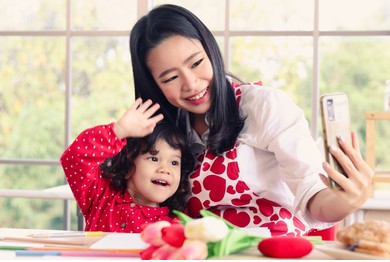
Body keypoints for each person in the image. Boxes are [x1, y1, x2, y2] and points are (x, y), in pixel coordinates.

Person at [127, 4, 374, 236]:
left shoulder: (263, 106)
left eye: (197, 63)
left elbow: (313, 195)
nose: (191, 84)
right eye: (170, 78)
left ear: (211, 51)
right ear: (155, 87)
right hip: (204, 258)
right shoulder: (162, 132)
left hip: (276, 253)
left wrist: (346, 200)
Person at [60, 98, 194, 233]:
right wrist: (119, 130)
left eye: (174, 162)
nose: (165, 169)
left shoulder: (178, 226)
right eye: (153, 158)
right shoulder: (100, 196)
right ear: (129, 165)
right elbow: (74, 158)